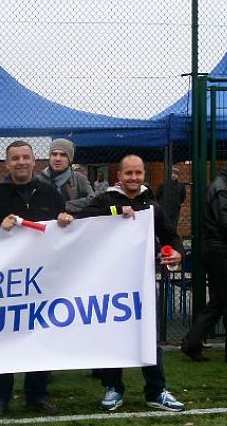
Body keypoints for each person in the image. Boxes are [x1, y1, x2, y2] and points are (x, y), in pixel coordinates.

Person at [76, 155, 186, 411]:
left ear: (144, 175)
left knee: (149, 334)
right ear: (119, 175)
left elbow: (170, 235)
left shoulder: (152, 206)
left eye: (138, 173)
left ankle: (156, 391)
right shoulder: (106, 199)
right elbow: (82, 217)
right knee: (113, 333)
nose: (134, 178)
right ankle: (113, 388)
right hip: (111, 281)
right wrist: (116, 212)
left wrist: (177, 252)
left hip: (142, 281)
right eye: (129, 173)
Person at [0, 140, 73, 417]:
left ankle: (37, 394)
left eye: (25, 157)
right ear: (7, 163)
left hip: (41, 280)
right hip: (6, 282)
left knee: (41, 335)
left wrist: (65, 220)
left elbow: (61, 231)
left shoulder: (50, 193)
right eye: (15, 158)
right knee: (1, 337)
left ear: (34, 161)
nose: (21, 162)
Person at [182, 151, 227, 364]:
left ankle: (192, 342)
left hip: (216, 249)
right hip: (222, 250)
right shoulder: (224, 190)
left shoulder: (222, 186)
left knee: (219, 301)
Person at [36, 138, 94, 213]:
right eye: (54, 154)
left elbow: (92, 200)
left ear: (70, 159)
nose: (58, 159)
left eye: (63, 155)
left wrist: (65, 206)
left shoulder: (78, 179)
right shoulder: (39, 179)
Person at [156, 166, 186, 231]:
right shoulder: (163, 185)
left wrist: (177, 204)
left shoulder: (181, 186)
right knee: (164, 226)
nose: (174, 175)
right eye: (172, 173)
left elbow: (183, 197)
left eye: (176, 174)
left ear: (178, 176)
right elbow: (158, 195)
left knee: (173, 227)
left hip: (175, 209)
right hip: (164, 209)